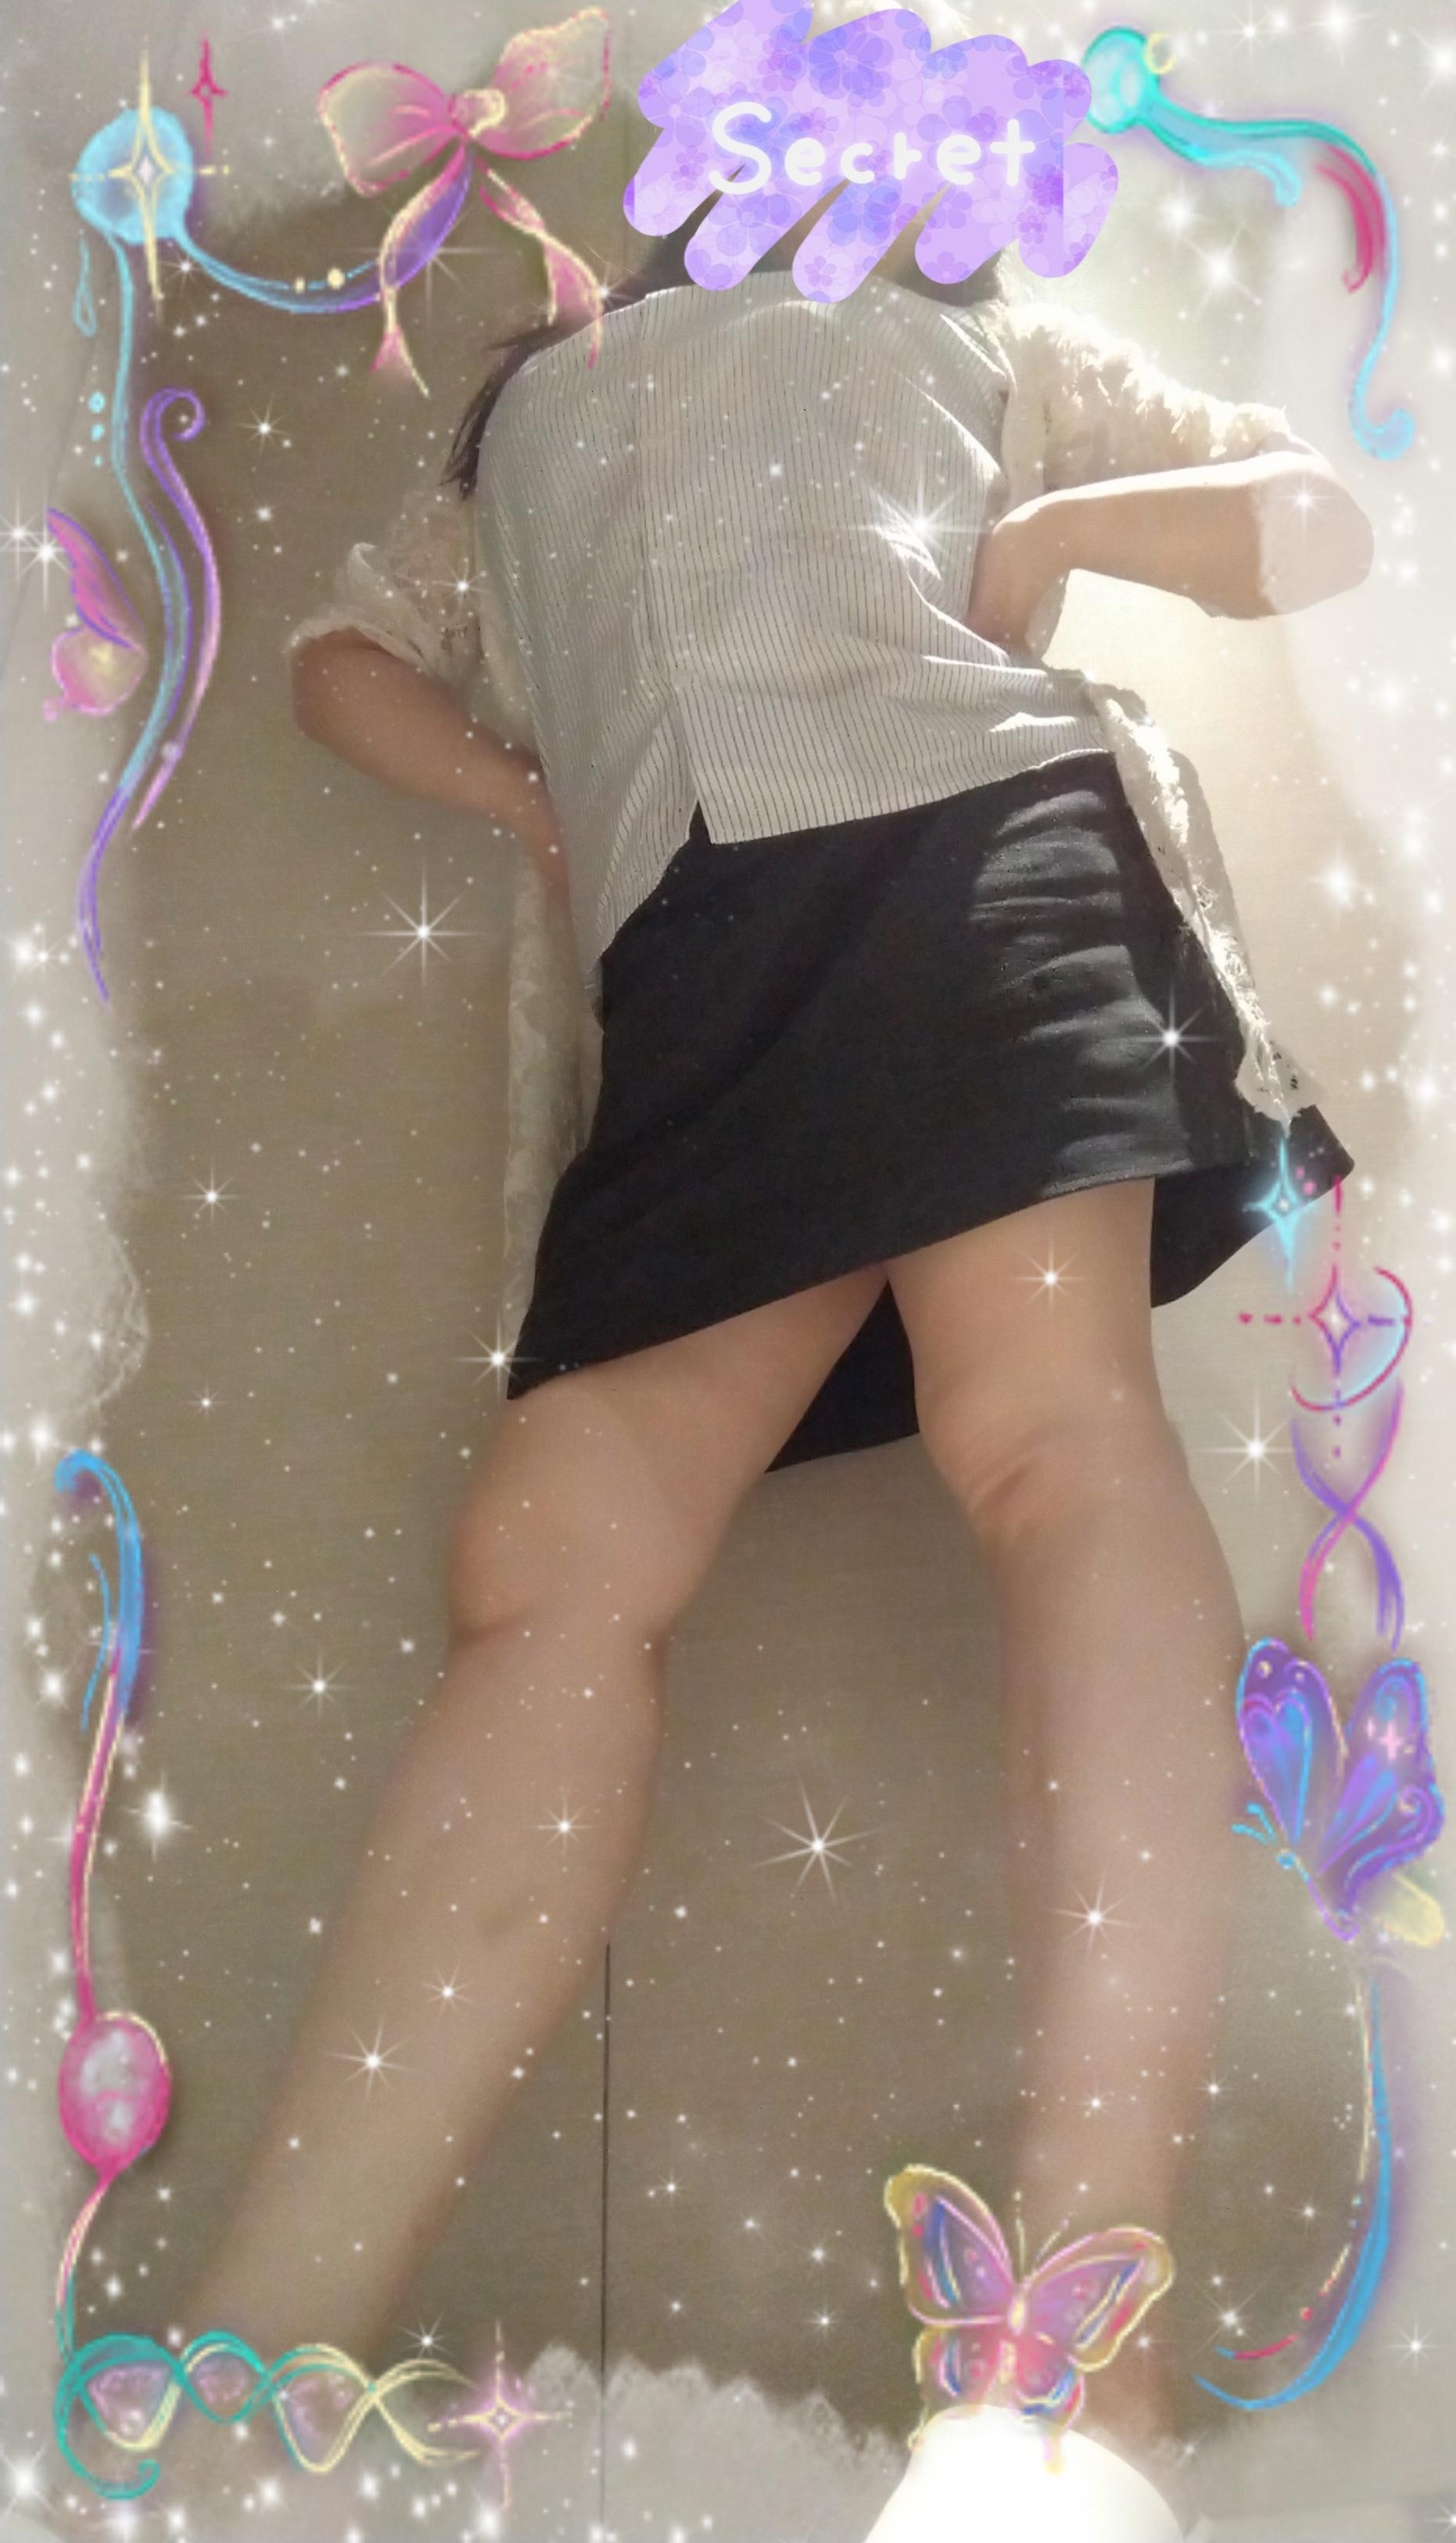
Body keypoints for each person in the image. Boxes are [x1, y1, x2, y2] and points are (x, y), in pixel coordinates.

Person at [159, 192, 1369, 2523]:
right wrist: (530, 800)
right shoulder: (522, 409)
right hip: (691, 948)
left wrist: (1051, 540)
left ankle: (1074, 2353)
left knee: (1053, 1447)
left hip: (972, 834)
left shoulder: (985, 328)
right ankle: (264, 2362)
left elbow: (1306, 516)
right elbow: (335, 658)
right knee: (549, 1565)